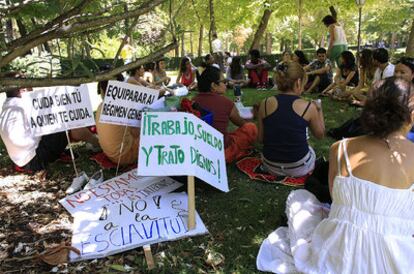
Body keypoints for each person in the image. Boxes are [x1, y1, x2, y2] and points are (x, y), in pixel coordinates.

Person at [257, 77, 414, 273]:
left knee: (299, 198)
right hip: (398, 258)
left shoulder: (340, 149)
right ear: (410, 113)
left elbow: (335, 197)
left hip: (337, 252)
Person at [0, 73, 100, 174]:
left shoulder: (8, 106)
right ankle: (98, 143)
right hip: (34, 160)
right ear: (23, 89)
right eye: (29, 83)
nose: (32, 86)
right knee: (68, 121)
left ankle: (94, 140)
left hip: (21, 160)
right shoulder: (25, 106)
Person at [258, 62, 325, 178]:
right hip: (298, 168)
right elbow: (320, 135)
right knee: (310, 150)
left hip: (270, 165)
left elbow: (260, 139)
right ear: (298, 82)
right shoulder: (309, 107)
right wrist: (319, 110)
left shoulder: (264, 103)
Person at [194, 66, 258, 163]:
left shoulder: (192, 101)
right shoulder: (226, 102)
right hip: (222, 153)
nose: (226, 84)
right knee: (251, 127)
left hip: (199, 152)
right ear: (213, 85)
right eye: (223, 82)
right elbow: (242, 124)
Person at [95, 75, 141, 166]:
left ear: (102, 91)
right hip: (126, 155)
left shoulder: (101, 106)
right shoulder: (124, 106)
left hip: (110, 154)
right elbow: (136, 132)